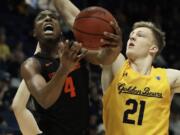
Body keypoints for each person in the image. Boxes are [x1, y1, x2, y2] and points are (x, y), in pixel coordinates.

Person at [53, 0, 180, 134]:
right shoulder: (118, 65)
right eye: (131, 35)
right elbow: (81, 22)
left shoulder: (168, 77)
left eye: (140, 35)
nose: (132, 37)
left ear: (153, 48)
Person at [11, 7, 122, 135]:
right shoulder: (32, 65)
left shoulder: (76, 50)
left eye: (53, 17)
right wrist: (64, 68)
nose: (48, 18)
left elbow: (104, 58)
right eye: (41, 18)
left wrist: (114, 49)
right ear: (34, 32)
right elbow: (45, 100)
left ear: (61, 29)